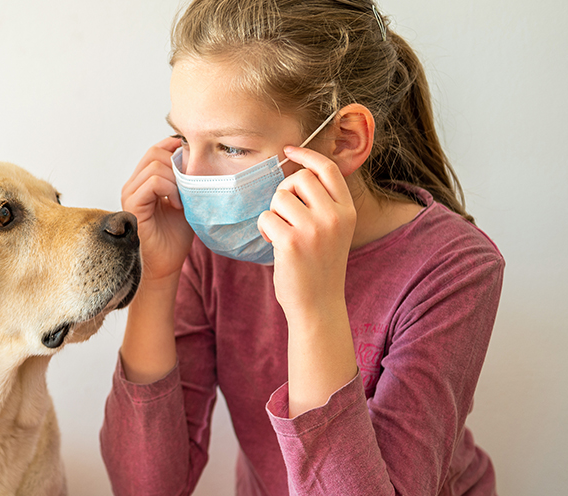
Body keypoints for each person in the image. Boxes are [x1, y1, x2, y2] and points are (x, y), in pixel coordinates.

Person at [99, 0, 504, 495]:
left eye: (230, 148)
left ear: (344, 139)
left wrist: (315, 308)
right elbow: (144, 487)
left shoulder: (455, 268)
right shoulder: (213, 246)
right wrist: (157, 279)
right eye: (182, 137)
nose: (192, 179)